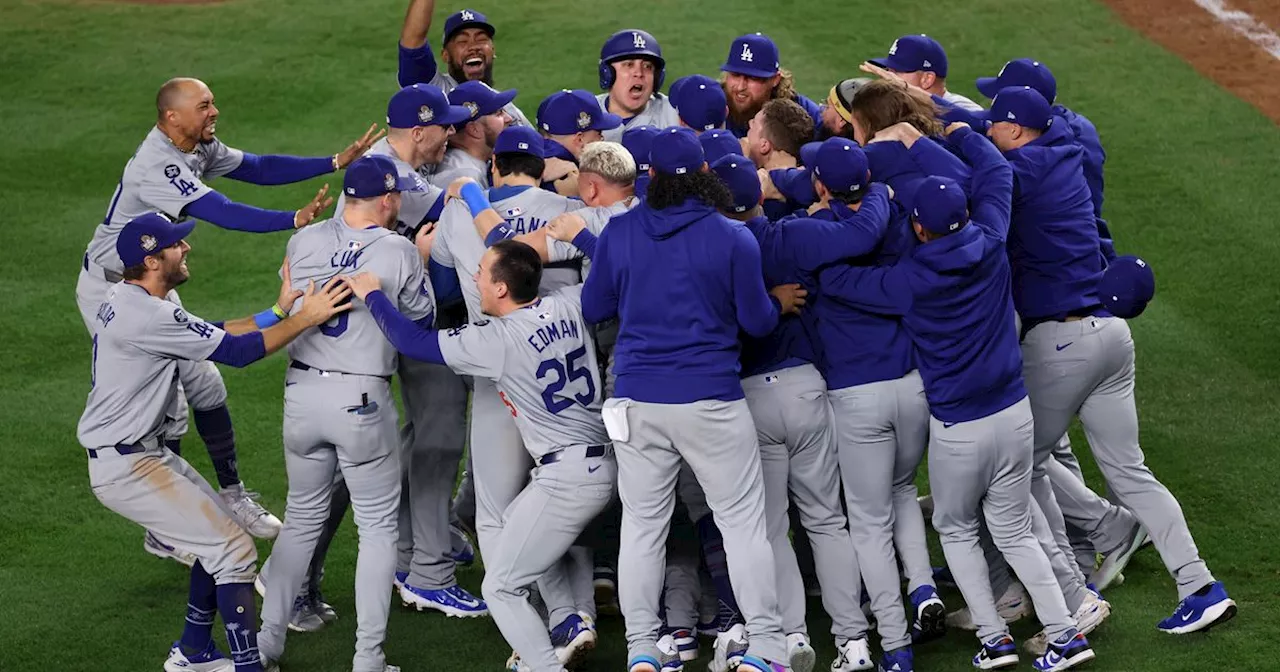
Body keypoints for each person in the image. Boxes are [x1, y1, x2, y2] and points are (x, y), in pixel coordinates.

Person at [817, 122, 1096, 672]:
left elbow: (837, 283)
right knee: (1015, 532)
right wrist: (961, 132)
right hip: (1015, 414)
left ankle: (995, 640)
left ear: (918, 229)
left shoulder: (909, 280)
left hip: (959, 428)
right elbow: (995, 172)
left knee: (956, 528)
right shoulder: (990, 238)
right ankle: (1065, 633)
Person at [74, 76, 378, 551]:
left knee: (205, 381)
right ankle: (162, 524)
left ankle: (231, 494)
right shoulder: (157, 164)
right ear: (173, 116)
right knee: (164, 399)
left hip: (151, 282)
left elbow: (256, 167)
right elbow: (221, 210)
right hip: (114, 290)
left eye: (213, 103)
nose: (214, 112)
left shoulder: (197, 144)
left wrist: (336, 161)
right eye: (204, 105)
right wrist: (291, 220)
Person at [984, 86, 1236, 637]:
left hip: (1060, 345)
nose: (987, 129)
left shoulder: (1015, 176)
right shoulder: (1066, 152)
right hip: (1112, 336)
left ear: (1018, 131)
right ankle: (1200, 586)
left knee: (1007, 464)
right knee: (1130, 470)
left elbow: (977, 159)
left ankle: (1069, 585)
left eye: (995, 123)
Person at [79, 213, 350, 672]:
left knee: (218, 542)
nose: (186, 249)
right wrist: (309, 317)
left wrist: (280, 312)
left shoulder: (132, 298)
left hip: (142, 455)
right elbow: (240, 353)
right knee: (234, 550)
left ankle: (193, 652)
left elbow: (217, 330)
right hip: (127, 467)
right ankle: (246, 664)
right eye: (176, 246)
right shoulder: (145, 313)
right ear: (151, 260)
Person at [580, 126, 798, 672]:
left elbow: (594, 305)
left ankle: (642, 649)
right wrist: (772, 302)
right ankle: (766, 647)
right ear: (704, 175)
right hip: (710, 401)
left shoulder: (621, 231)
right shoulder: (732, 237)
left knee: (643, 528)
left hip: (637, 403)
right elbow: (757, 322)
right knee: (742, 525)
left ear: (649, 177)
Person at [346, 239, 617, 672]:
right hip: (602, 462)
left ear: (503, 289)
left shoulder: (497, 340)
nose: (475, 280)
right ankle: (564, 622)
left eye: (481, 275)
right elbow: (607, 269)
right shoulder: (569, 301)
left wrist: (372, 293)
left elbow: (413, 341)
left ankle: (543, 665)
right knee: (515, 531)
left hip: (568, 478)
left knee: (500, 588)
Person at [711, 148, 914, 672]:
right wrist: (870, 191)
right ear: (759, 197)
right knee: (827, 520)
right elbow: (860, 234)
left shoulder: (710, 249)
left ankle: (792, 635)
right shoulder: (790, 235)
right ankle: (854, 642)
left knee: (772, 526)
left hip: (749, 397)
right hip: (805, 388)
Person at [257, 155, 438, 672]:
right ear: (387, 200)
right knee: (377, 530)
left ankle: (266, 646)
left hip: (301, 396)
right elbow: (420, 322)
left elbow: (289, 303)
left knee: (301, 519)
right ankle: (367, 660)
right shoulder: (399, 249)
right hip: (360, 400)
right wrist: (421, 259)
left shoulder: (304, 240)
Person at [396, 0, 532, 127]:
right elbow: (413, 42)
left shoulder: (507, 108)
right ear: (446, 55)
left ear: (493, 50)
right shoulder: (435, 91)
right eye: (462, 41)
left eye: (481, 39)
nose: (473, 47)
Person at [719, 33, 822, 138]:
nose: (740, 87)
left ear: (775, 79)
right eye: (735, 75)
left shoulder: (803, 115)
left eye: (753, 78)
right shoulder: (710, 102)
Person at [596, 29, 680, 142]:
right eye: (629, 65)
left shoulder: (675, 115)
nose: (639, 73)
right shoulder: (584, 114)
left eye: (647, 66)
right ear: (608, 73)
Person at [431, 80, 518, 189]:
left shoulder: (473, 163)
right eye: (498, 113)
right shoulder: (464, 176)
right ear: (474, 130)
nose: (509, 119)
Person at [864, 34, 983, 112]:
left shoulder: (964, 109)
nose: (888, 79)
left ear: (927, 79)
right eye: (887, 72)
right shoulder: (900, 109)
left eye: (896, 73)